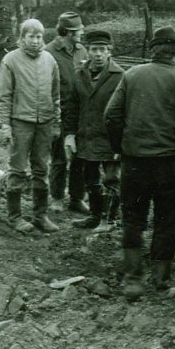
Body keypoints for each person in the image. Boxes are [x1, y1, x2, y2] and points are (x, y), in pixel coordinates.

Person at [104, 26, 175, 299]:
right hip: (171, 166)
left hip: (135, 163)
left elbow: (111, 116)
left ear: (153, 51)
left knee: (133, 220)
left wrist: (121, 149)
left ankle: (133, 281)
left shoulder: (131, 75)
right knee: (167, 222)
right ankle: (160, 283)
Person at [0, 19, 61, 233]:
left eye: (39, 36)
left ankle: (40, 215)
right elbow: (4, 97)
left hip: (44, 122)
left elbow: (56, 95)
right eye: (31, 36)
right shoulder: (10, 60)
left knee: (42, 169)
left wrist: (56, 122)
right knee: (17, 170)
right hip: (20, 123)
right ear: (22, 37)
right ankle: (14, 217)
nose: (35, 41)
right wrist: (4, 126)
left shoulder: (50, 60)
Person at [64, 30, 124, 233]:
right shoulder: (79, 75)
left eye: (102, 50)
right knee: (91, 179)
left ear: (109, 52)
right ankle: (95, 215)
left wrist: (122, 141)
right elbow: (71, 107)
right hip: (86, 137)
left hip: (111, 139)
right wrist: (70, 135)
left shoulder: (120, 76)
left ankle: (110, 220)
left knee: (111, 179)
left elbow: (126, 111)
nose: (98, 54)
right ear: (87, 51)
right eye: (94, 49)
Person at [45, 12, 90, 215]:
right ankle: (56, 197)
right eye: (79, 30)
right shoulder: (49, 52)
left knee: (80, 156)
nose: (82, 32)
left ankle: (77, 198)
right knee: (59, 157)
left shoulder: (81, 51)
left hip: (80, 113)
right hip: (59, 113)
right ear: (68, 32)